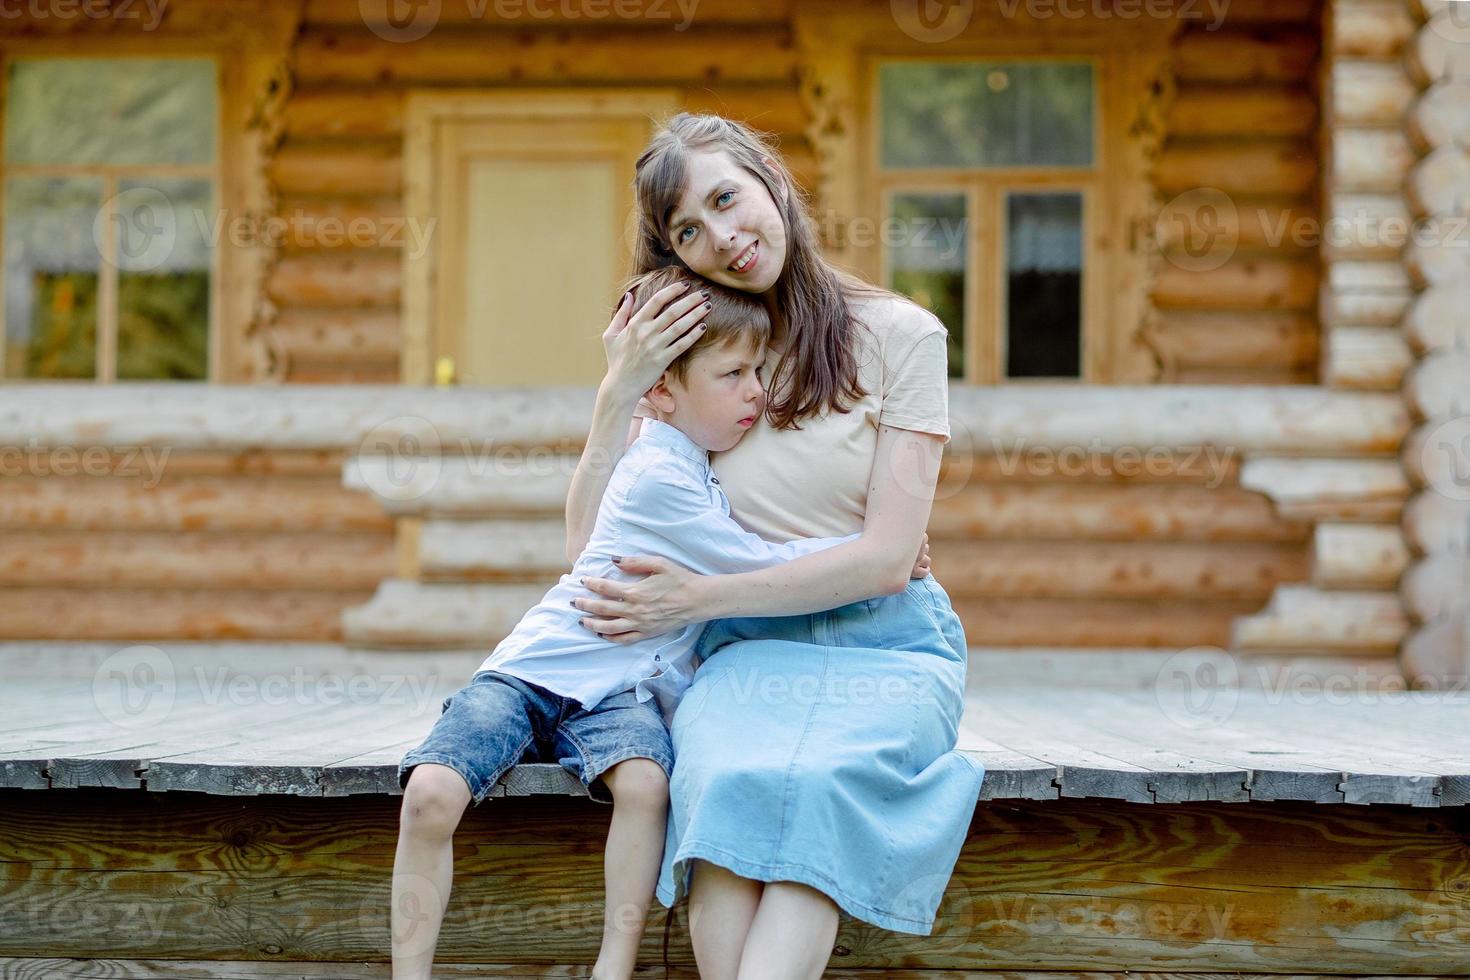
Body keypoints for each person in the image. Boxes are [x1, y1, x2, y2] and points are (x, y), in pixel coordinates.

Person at [389, 266, 926, 980]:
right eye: (733, 374)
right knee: (431, 792)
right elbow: (747, 559)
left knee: (647, 787)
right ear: (663, 392)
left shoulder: (695, 460)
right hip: (538, 667)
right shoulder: (657, 476)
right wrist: (871, 552)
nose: (756, 393)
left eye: (757, 371)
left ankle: (613, 966)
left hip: (625, 690)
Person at [564, 113, 986, 980]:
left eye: (727, 198)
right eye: (689, 230)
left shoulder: (905, 337)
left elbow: (882, 562)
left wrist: (696, 596)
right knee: (723, 783)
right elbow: (590, 558)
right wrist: (618, 395)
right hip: (747, 656)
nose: (723, 236)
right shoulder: (696, 358)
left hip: (889, 648)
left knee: (825, 787)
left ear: (771, 181)